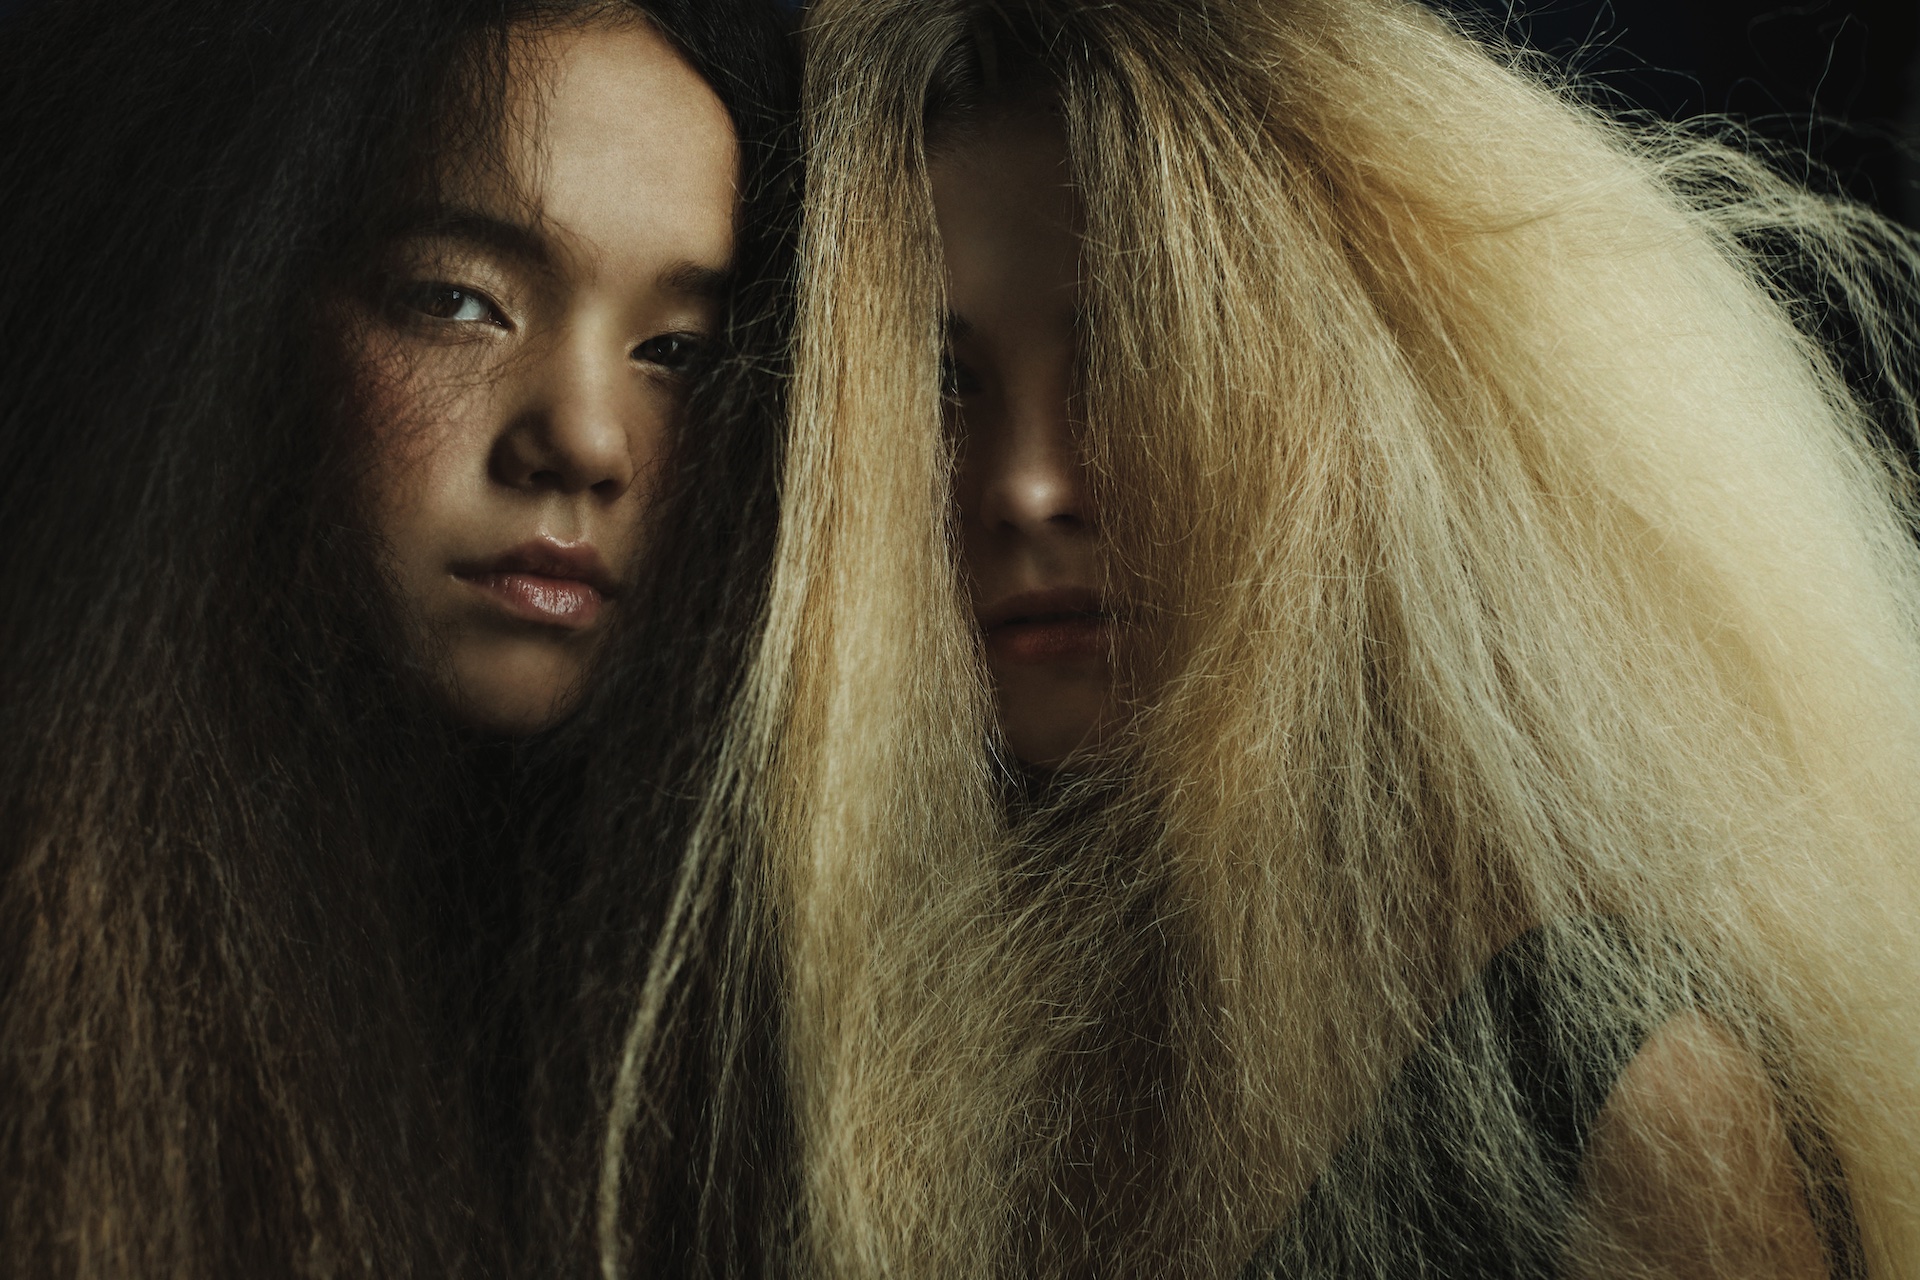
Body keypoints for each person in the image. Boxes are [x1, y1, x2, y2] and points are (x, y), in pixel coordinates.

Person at [658, 0, 1920, 1274]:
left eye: (1126, 349)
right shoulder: (823, 1064)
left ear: (1340, 414)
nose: (1026, 485)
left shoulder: (1620, 1098)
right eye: (942, 381)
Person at [0, 0, 794, 1274]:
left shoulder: (728, 1017)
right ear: (245, 297)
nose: (585, 439)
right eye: (458, 301)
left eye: (674, 351)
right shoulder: (60, 942)